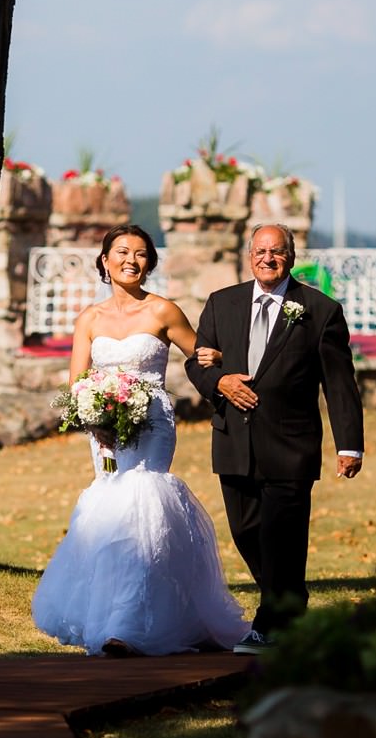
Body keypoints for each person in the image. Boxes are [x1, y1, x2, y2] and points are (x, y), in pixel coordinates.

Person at [31, 224, 251, 657]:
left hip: (151, 423)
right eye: (122, 252)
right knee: (112, 512)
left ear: (149, 262)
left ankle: (128, 626)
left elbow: (203, 354)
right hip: (105, 429)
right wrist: (92, 415)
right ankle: (114, 616)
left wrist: (218, 360)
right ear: (105, 260)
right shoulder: (89, 319)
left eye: (141, 253)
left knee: (145, 507)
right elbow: (78, 381)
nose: (131, 260)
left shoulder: (163, 311)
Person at [184, 223, 364, 654]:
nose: (268, 258)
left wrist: (349, 444)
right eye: (261, 251)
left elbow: (339, 384)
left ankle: (269, 627)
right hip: (234, 443)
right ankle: (290, 606)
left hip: (291, 446)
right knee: (248, 533)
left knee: (281, 536)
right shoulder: (221, 303)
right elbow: (198, 362)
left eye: (277, 251)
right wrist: (219, 383)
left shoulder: (320, 310)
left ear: (292, 256)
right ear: (249, 255)